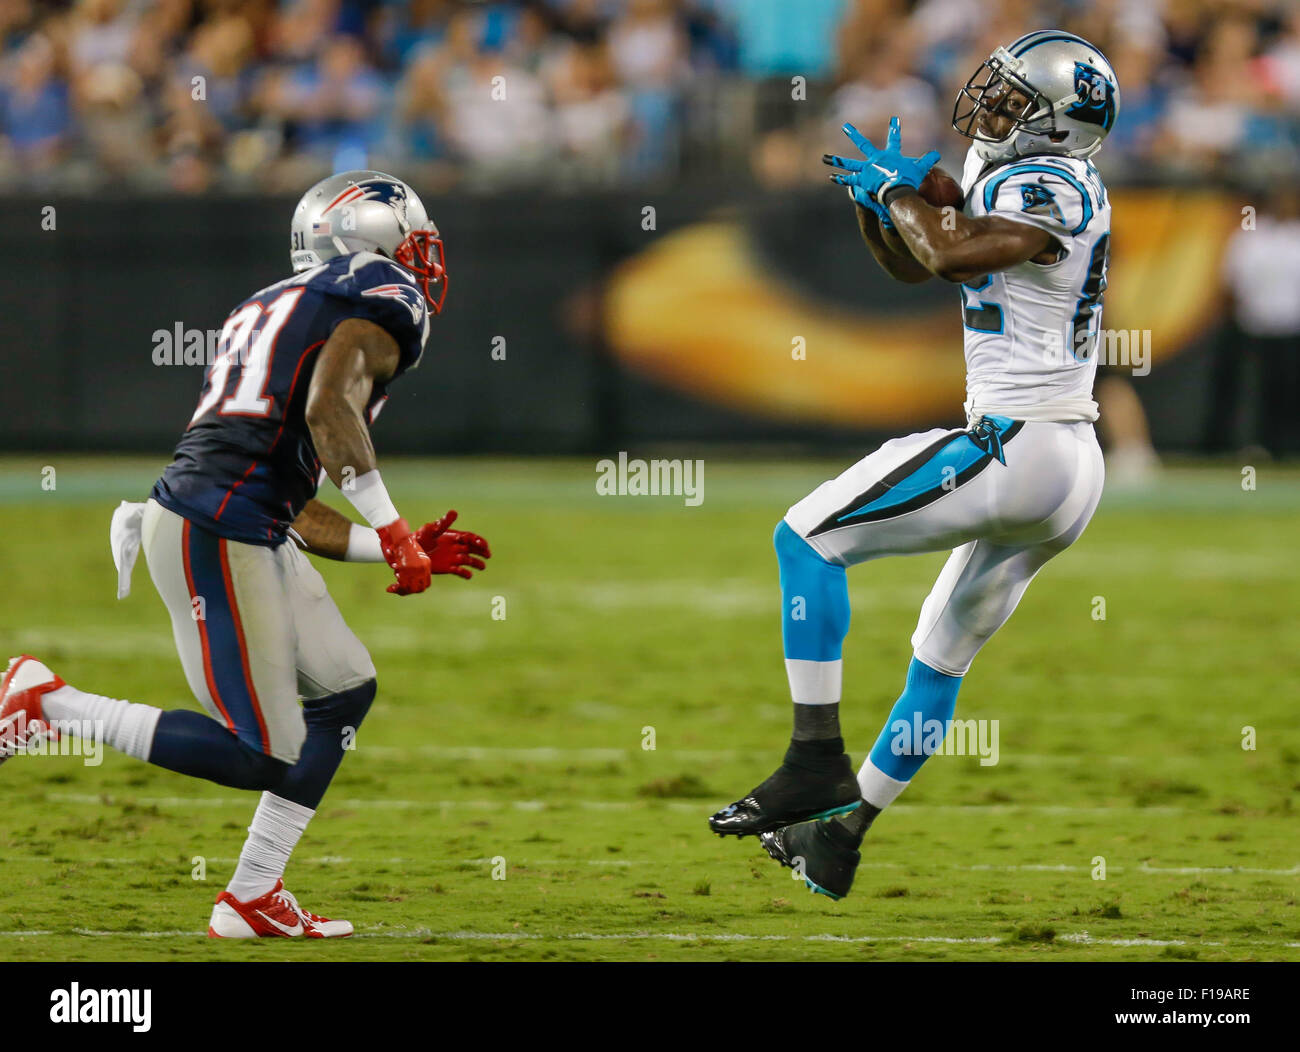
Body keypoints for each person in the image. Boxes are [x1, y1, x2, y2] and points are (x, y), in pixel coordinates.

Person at [0, 170, 490, 937]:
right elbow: (331, 409)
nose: (422, 258)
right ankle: (47, 703)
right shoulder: (380, 296)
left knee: (344, 691)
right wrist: (395, 530)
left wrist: (384, 546)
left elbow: (290, 493)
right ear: (365, 236)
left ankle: (252, 894)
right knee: (263, 752)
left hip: (235, 518)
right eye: (412, 238)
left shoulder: (269, 306)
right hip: (213, 527)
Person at [709, 31, 1117, 900]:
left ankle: (814, 758)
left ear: (1058, 126)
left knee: (805, 538)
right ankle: (840, 837)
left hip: (1020, 440)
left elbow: (952, 253)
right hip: (1065, 466)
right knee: (939, 662)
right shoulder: (1019, 173)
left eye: (1016, 100)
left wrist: (909, 197)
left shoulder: (1049, 183)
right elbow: (913, 264)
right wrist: (879, 203)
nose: (993, 106)